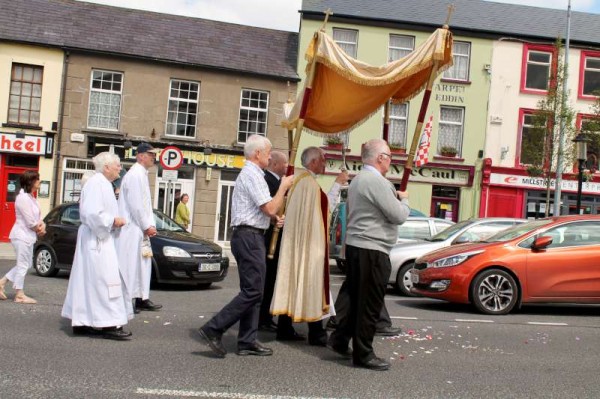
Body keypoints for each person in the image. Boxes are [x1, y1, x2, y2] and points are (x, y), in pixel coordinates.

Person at [198, 134, 293, 358]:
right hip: (249, 237)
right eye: (268, 153)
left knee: (254, 291)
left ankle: (247, 340)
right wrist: (283, 187)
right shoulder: (251, 174)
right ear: (257, 153)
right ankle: (213, 328)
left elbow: (259, 210)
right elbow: (269, 207)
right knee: (253, 291)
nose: (270, 157)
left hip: (251, 235)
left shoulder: (254, 174)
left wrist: (271, 220)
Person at [328, 139, 410, 371]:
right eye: (390, 156)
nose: (391, 161)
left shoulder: (359, 180)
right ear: (380, 157)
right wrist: (404, 200)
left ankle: (340, 339)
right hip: (372, 248)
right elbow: (398, 215)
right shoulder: (375, 181)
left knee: (356, 299)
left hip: (358, 246)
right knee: (370, 304)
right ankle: (363, 353)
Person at [270, 146, 349, 346]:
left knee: (292, 281)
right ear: (313, 162)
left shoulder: (298, 180)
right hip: (308, 245)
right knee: (311, 283)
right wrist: (338, 184)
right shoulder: (309, 184)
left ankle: (284, 328)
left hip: (295, 242)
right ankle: (317, 333)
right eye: (322, 159)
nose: (324, 163)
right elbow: (326, 208)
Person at [61, 152, 133, 340]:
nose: (120, 168)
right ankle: (108, 324)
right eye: (117, 165)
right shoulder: (97, 183)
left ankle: (83, 321)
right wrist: (113, 221)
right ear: (106, 167)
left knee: (88, 281)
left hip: (96, 238)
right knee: (104, 280)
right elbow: (91, 213)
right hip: (97, 239)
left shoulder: (102, 183)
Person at [115, 142, 162, 314]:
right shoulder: (135, 175)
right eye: (150, 154)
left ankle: (141, 297)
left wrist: (149, 225)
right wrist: (146, 225)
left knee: (143, 264)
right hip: (133, 228)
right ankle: (129, 300)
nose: (153, 158)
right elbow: (136, 205)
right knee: (130, 265)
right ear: (140, 155)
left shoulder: (141, 174)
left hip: (140, 229)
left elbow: (144, 204)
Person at [0, 171, 45, 304]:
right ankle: (19, 294)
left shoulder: (32, 198)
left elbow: (38, 218)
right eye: (37, 179)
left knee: (27, 264)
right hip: (21, 236)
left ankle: (2, 282)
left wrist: (43, 225)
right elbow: (30, 222)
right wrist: (39, 230)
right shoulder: (23, 198)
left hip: (28, 236)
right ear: (30, 182)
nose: (39, 182)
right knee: (23, 265)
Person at [258, 150, 291, 333]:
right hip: (268, 238)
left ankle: (266, 316)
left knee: (271, 280)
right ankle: (263, 318)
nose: (287, 167)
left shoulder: (277, 182)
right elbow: (271, 206)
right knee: (267, 280)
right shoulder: (269, 181)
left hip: (275, 238)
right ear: (276, 164)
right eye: (285, 164)